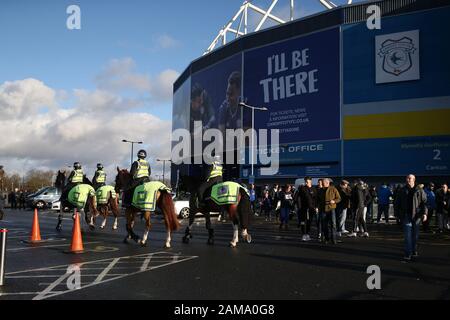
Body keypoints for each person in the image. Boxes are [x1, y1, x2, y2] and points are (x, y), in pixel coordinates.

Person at [395, 174, 428, 261]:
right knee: (407, 236)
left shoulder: (419, 190)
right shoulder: (402, 190)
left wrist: (425, 213)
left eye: (410, 178)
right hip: (406, 215)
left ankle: (414, 250)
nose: (408, 179)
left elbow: (424, 202)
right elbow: (397, 203)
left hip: (416, 216)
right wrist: (397, 215)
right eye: (407, 178)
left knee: (415, 235)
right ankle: (407, 253)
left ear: (414, 179)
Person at [218, 71, 242, 137]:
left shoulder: (245, 105)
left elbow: (246, 139)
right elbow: (221, 138)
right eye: (227, 93)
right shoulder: (223, 107)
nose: (228, 98)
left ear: (239, 92)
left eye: (231, 94)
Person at [317, 178, 341, 244]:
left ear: (327, 183)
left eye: (323, 183)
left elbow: (339, 198)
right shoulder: (320, 190)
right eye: (322, 182)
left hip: (331, 209)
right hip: (323, 209)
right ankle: (327, 238)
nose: (321, 184)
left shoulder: (333, 189)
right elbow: (317, 199)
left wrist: (334, 201)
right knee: (324, 225)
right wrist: (316, 207)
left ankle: (334, 239)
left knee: (333, 224)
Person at [296, 176, 318, 241]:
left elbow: (316, 199)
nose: (306, 182)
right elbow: (298, 198)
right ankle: (303, 234)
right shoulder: (302, 188)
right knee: (303, 221)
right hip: (303, 208)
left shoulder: (314, 189)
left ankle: (307, 234)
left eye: (307, 181)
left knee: (309, 222)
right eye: (305, 181)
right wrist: (299, 207)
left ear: (310, 181)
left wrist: (316, 207)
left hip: (311, 208)